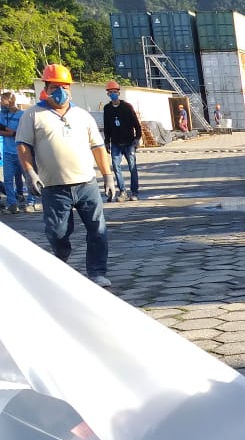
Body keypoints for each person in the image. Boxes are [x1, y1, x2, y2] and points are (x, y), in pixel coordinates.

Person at [16, 64, 116, 289]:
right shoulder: (32, 115)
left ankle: (97, 272)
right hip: (54, 187)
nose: (60, 92)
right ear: (46, 89)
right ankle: (62, 264)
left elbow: (98, 147)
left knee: (98, 230)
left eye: (64, 87)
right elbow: (23, 146)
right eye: (55, 87)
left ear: (70, 88)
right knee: (57, 233)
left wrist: (108, 175)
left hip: (86, 184)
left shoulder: (82, 116)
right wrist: (30, 173)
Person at [102, 81, 143, 202]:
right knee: (116, 167)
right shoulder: (107, 109)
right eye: (110, 92)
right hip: (116, 144)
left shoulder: (127, 107)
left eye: (115, 92)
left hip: (129, 142)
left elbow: (136, 124)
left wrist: (137, 138)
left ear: (119, 93)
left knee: (132, 167)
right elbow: (107, 126)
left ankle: (134, 192)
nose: (113, 94)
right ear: (108, 94)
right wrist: (107, 142)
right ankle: (123, 191)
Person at [0, 92, 27, 213]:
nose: (1, 102)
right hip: (7, 152)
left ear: (10, 101)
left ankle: (30, 202)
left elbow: (23, 132)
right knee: (8, 179)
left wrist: (14, 133)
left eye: (2, 100)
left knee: (27, 177)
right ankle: (12, 203)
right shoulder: (1, 114)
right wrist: (10, 132)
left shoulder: (22, 115)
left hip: (21, 151)